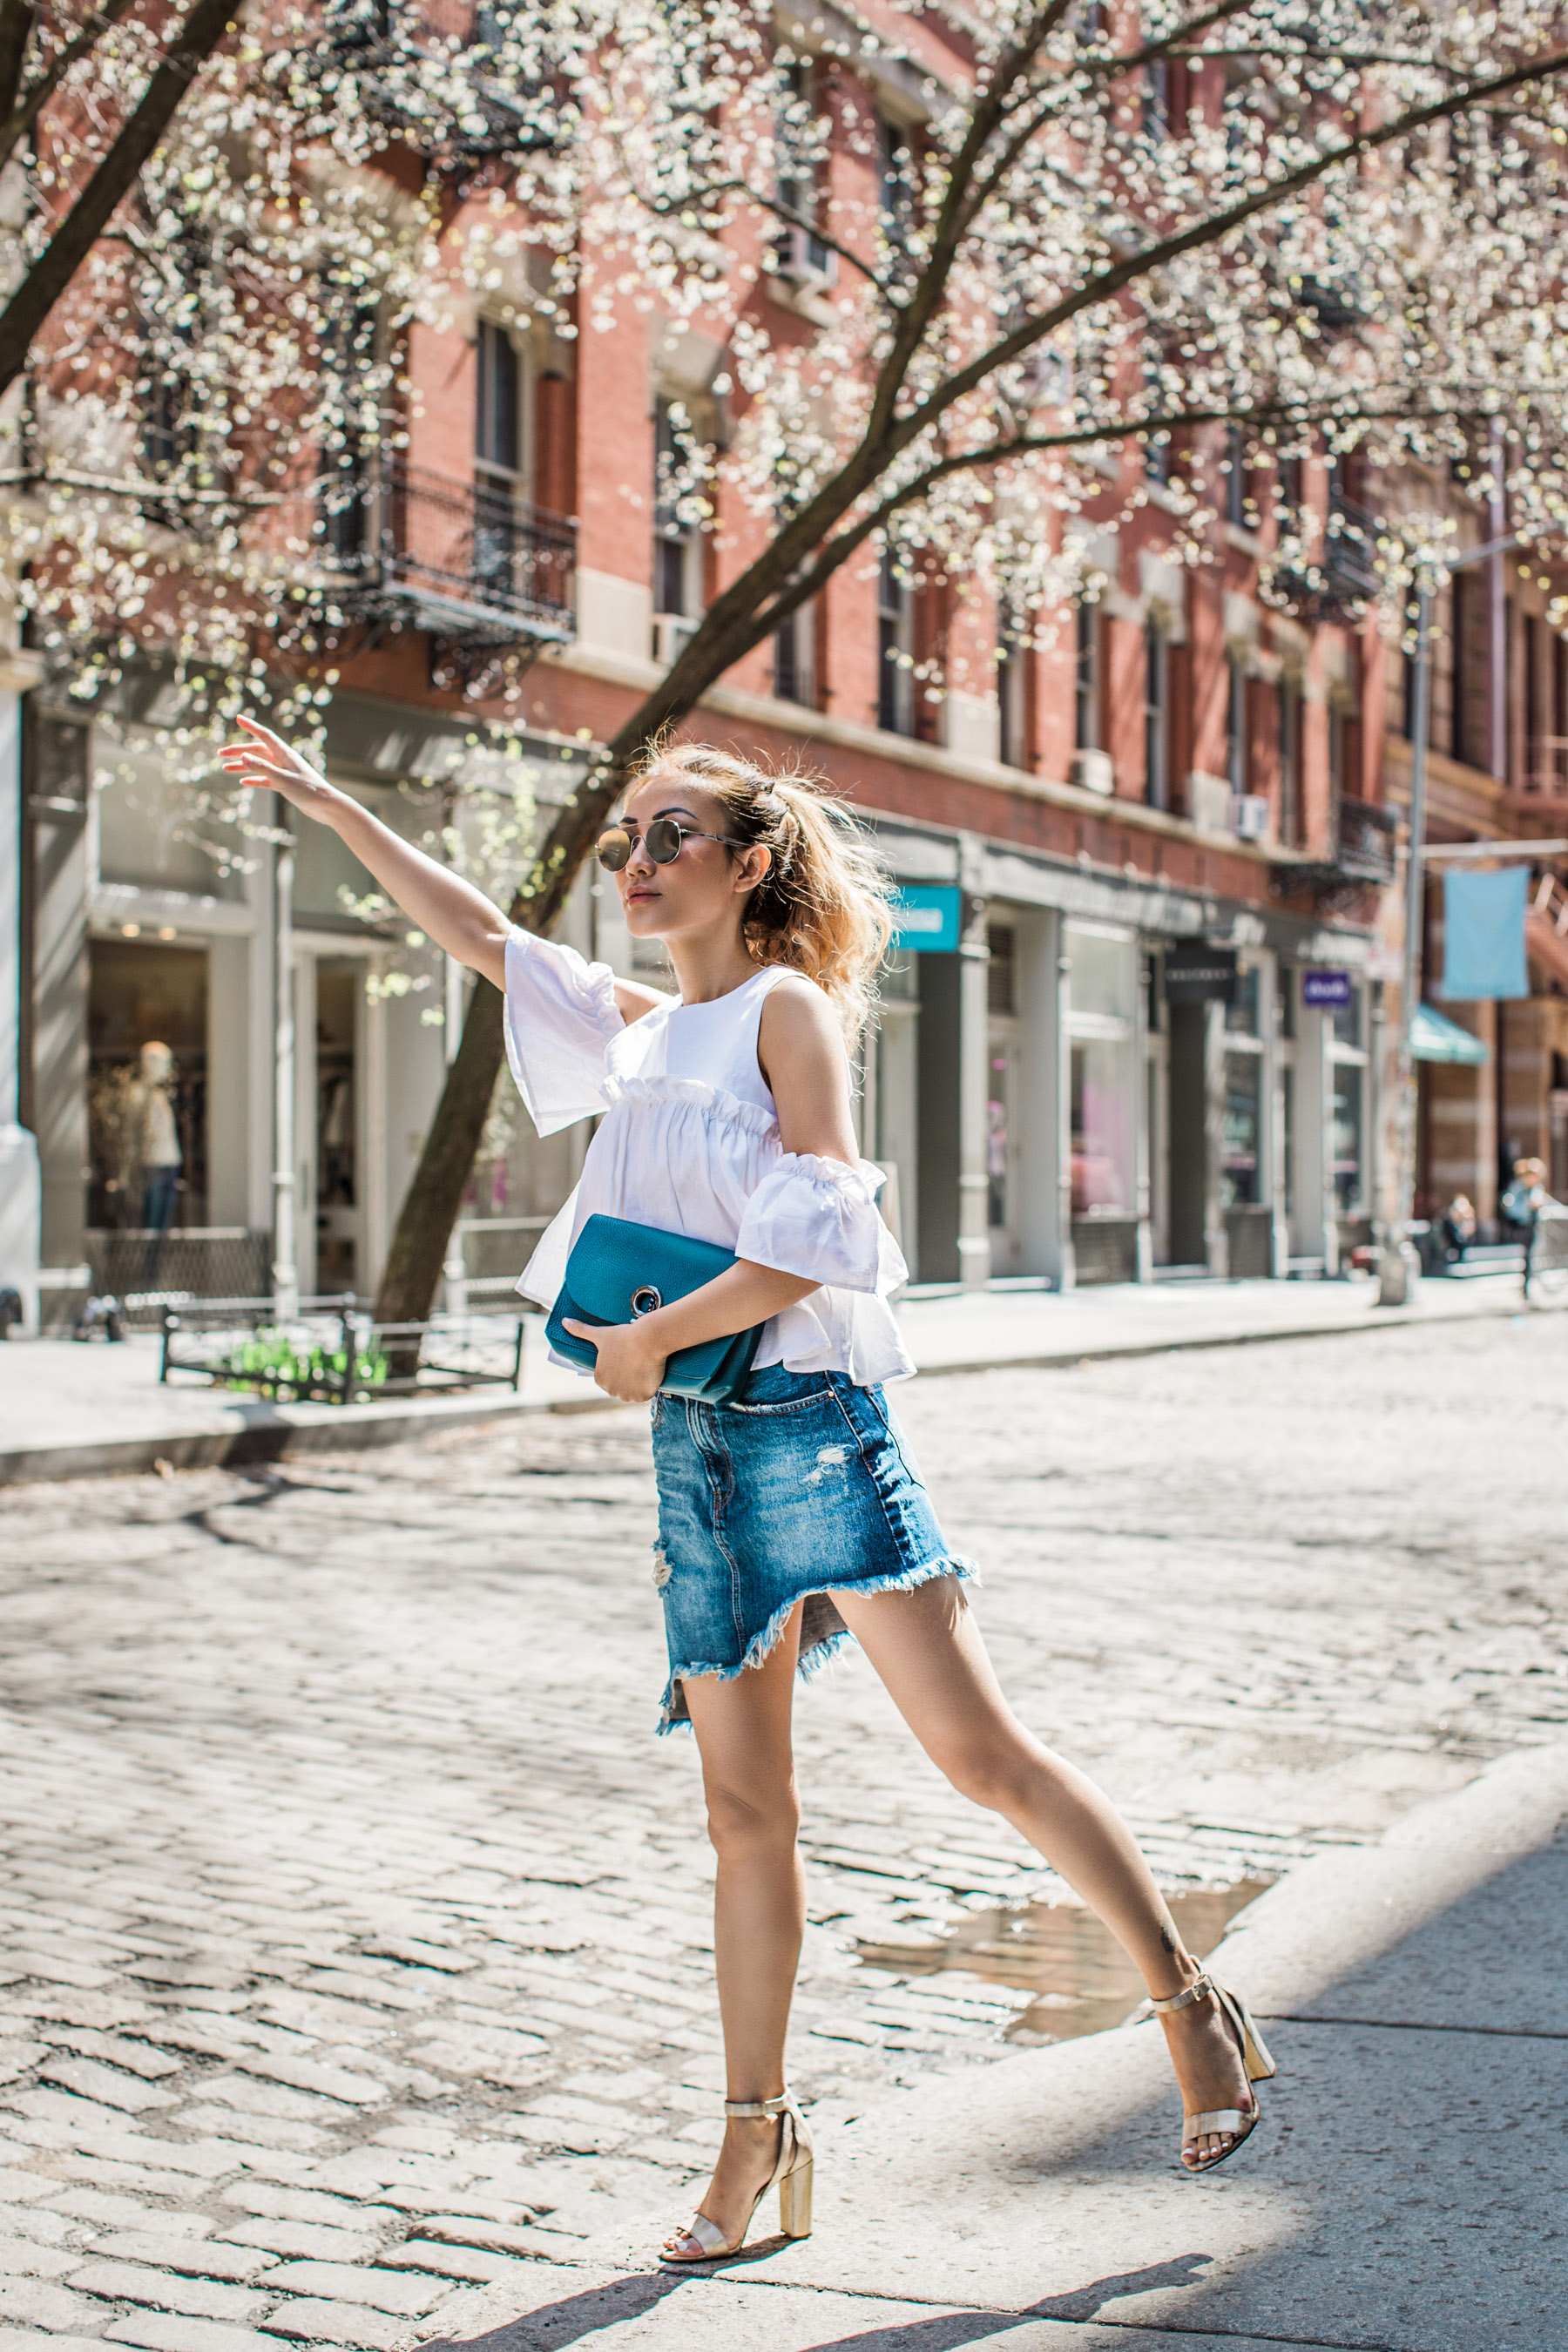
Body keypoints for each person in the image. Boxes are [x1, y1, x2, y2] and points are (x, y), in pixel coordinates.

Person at [221, 718, 1275, 2256]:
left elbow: (821, 1242)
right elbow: (481, 933)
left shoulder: (787, 1013)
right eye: (625, 839)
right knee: (742, 1812)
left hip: (812, 1428)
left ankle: (1189, 2007)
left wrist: (650, 1333)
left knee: (981, 1757)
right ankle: (755, 2147)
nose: (636, 862)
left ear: (750, 862)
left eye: (670, 838)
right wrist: (330, 807)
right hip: (698, 1450)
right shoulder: (643, 1036)